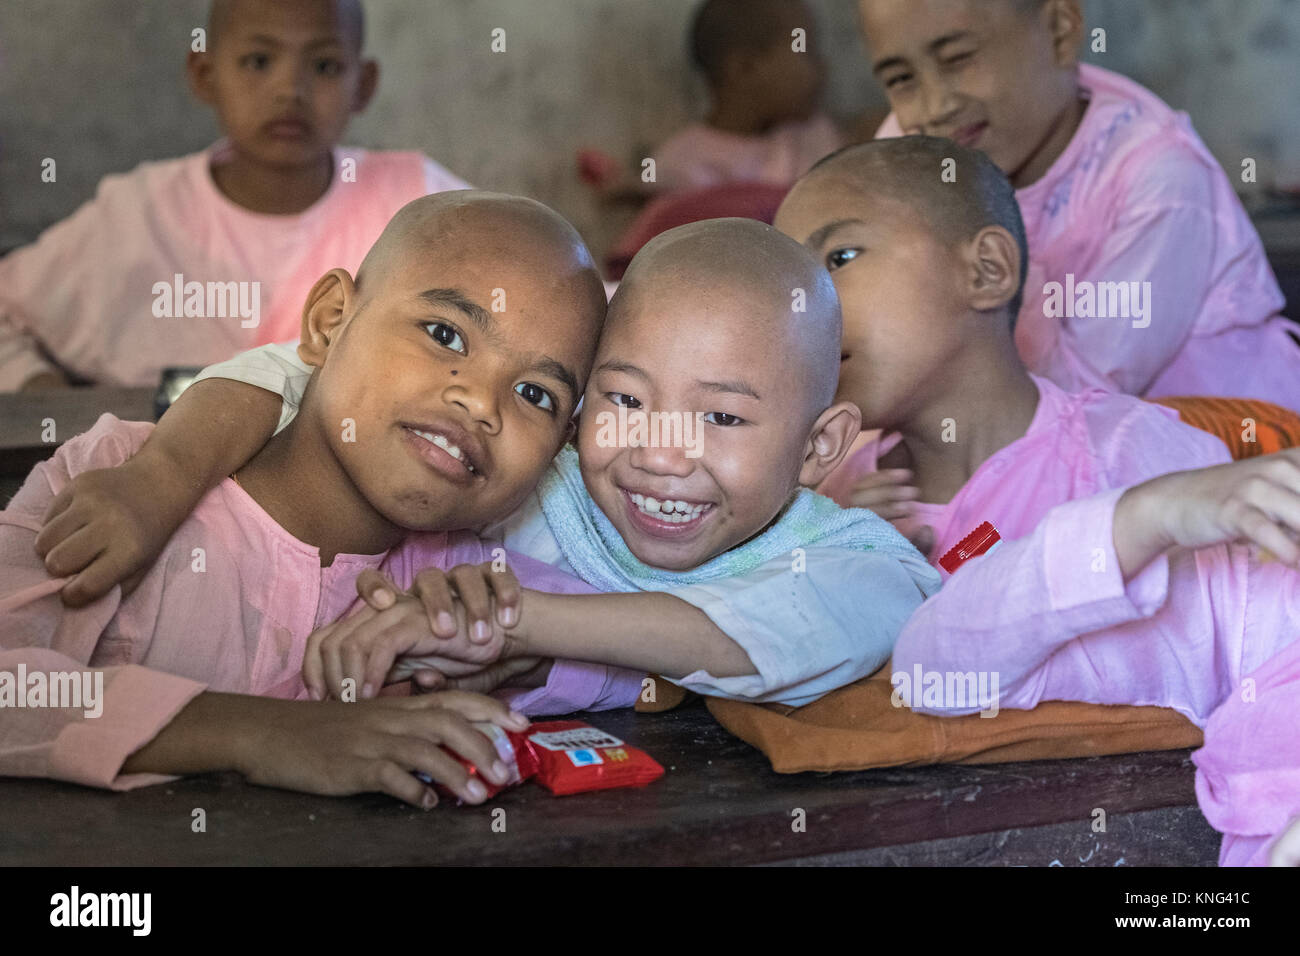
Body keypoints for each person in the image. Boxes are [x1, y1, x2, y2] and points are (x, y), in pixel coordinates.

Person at [0, 0, 468, 391]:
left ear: (361, 85)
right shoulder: (139, 214)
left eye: (324, 66)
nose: (290, 90)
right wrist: (44, 395)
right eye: (258, 61)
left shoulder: (418, 203)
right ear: (205, 74)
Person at [860, 0, 1300, 408]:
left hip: (1232, 450)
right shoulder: (908, 157)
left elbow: (1083, 400)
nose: (936, 106)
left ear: (1059, 31)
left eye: (958, 58)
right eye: (902, 79)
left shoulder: (1159, 178)